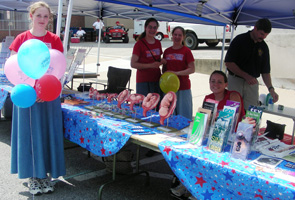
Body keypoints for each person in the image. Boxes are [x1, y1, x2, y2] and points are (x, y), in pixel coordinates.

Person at [9, 1, 66, 195]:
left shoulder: (55, 39)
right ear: (31, 16)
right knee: (30, 135)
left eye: (46, 16)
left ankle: (46, 175)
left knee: (48, 133)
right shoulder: (21, 39)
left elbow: (58, 67)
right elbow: (15, 68)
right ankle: (33, 177)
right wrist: (34, 90)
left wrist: (46, 90)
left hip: (49, 96)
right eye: (39, 15)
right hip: (27, 96)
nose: (42, 20)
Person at [224, 18, 279, 110]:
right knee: (232, 110)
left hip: (252, 84)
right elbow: (229, 63)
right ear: (255, 28)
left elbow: (265, 71)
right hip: (235, 80)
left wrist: (271, 89)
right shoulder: (239, 40)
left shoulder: (264, 47)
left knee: (252, 111)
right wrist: (246, 76)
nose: (263, 37)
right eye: (261, 34)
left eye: (266, 35)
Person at [162, 26, 195, 120]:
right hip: (169, 89)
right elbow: (164, 70)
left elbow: (192, 69)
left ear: (183, 37)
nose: (177, 37)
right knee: (169, 116)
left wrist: (176, 73)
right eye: (175, 34)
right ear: (172, 36)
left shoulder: (187, 51)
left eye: (179, 35)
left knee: (184, 116)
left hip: (183, 88)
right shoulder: (167, 51)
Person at [131, 17, 165, 97]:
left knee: (156, 106)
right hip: (143, 82)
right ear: (145, 28)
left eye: (154, 27)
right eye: (150, 27)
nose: (152, 30)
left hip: (156, 80)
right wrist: (150, 65)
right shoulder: (139, 44)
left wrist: (162, 61)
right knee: (144, 106)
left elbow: (158, 59)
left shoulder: (158, 43)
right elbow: (133, 64)